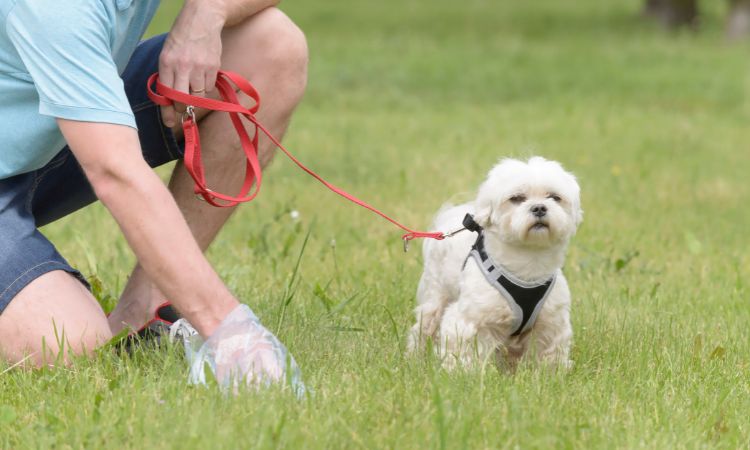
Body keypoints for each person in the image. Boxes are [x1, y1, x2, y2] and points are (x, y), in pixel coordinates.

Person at [0, 0, 308, 388]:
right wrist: (230, 332)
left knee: (270, 45)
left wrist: (208, 11)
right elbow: (115, 171)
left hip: (44, 125)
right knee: (66, 343)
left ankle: (144, 311)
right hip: (51, 121)